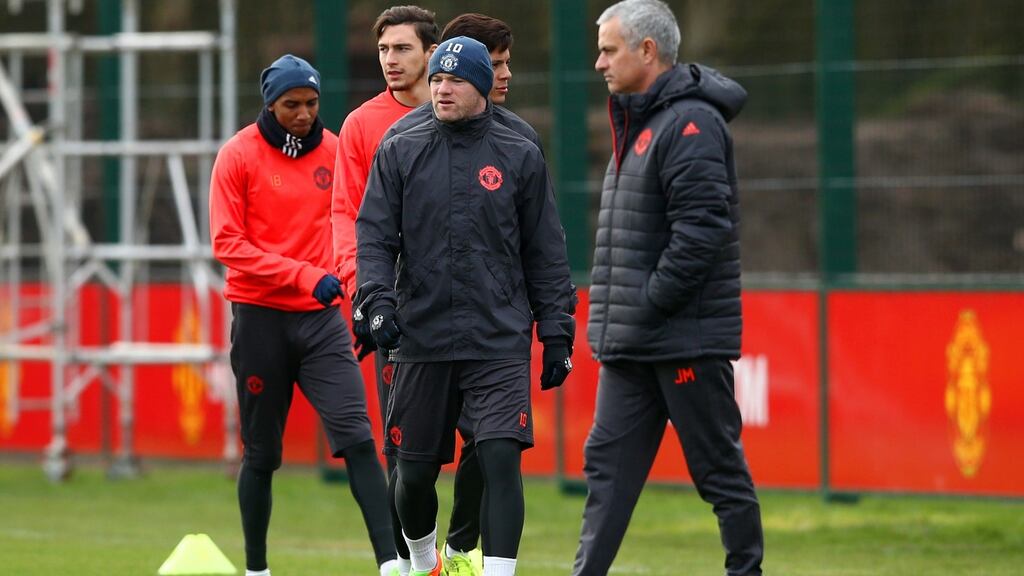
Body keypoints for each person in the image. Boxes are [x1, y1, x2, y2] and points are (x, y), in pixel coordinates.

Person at [355, 36, 576, 576]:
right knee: (412, 476)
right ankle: (427, 561)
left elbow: (544, 248)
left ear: (481, 86)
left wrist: (557, 332)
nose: (442, 89)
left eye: (454, 80)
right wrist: (378, 303)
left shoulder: (520, 147)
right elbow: (375, 237)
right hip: (420, 336)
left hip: (497, 335)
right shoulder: (400, 144)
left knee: (501, 457)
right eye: (436, 79)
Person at [572, 1, 764, 575]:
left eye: (609, 49)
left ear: (647, 51)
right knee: (606, 471)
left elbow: (702, 232)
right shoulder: (641, 122)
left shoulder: (691, 124)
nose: (599, 62)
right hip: (634, 343)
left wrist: (650, 301)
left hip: (683, 340)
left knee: (718, 473)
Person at [209, 54, 398, 576]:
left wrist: (358, 302)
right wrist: (302, 275)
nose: (303, 114)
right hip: (259, 319)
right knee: (262, 456)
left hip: (320, 322)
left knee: (359, 439)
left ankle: (392, 565)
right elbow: (227, 244)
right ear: (269, 103)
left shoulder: (336, 152)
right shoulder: (237, 156)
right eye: (291, 104)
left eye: (312, 103)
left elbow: (354, 227)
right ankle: (257, 569)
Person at [328, 7, 439, 575]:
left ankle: (465, 553)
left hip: (472, 311)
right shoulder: (361, 125)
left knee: (489, 446)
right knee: (404, 451)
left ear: (431, 52)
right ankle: (412, 563)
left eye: (402, 49)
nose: (390, 61)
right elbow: (347, 216)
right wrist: (363, 289)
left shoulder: (469, 112)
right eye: (384, 51)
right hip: (396, 308)